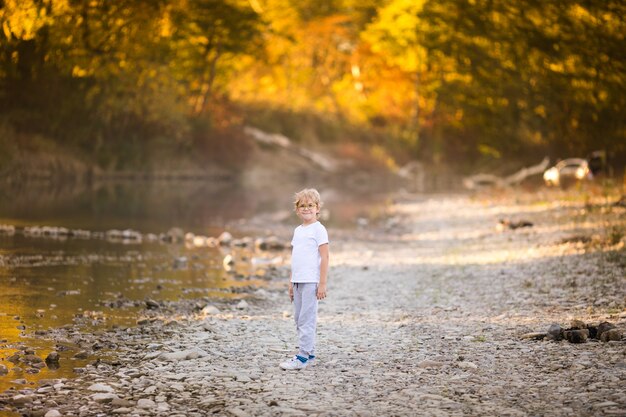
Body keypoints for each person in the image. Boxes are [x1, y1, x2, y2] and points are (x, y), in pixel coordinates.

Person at [280, 188, 329, 370]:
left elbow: (325, 257)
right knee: (298, 317)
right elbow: (296, 258)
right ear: (297, 209)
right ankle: (310, 352)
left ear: (317, 208)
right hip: (298, 281)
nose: (306, 208)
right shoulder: (298, 230)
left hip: (311, 281)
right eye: (302, 206)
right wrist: (291, 282)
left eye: (310, 205)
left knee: (306, 319)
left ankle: (302, 357)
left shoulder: (319, 229)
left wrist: (322, 283)